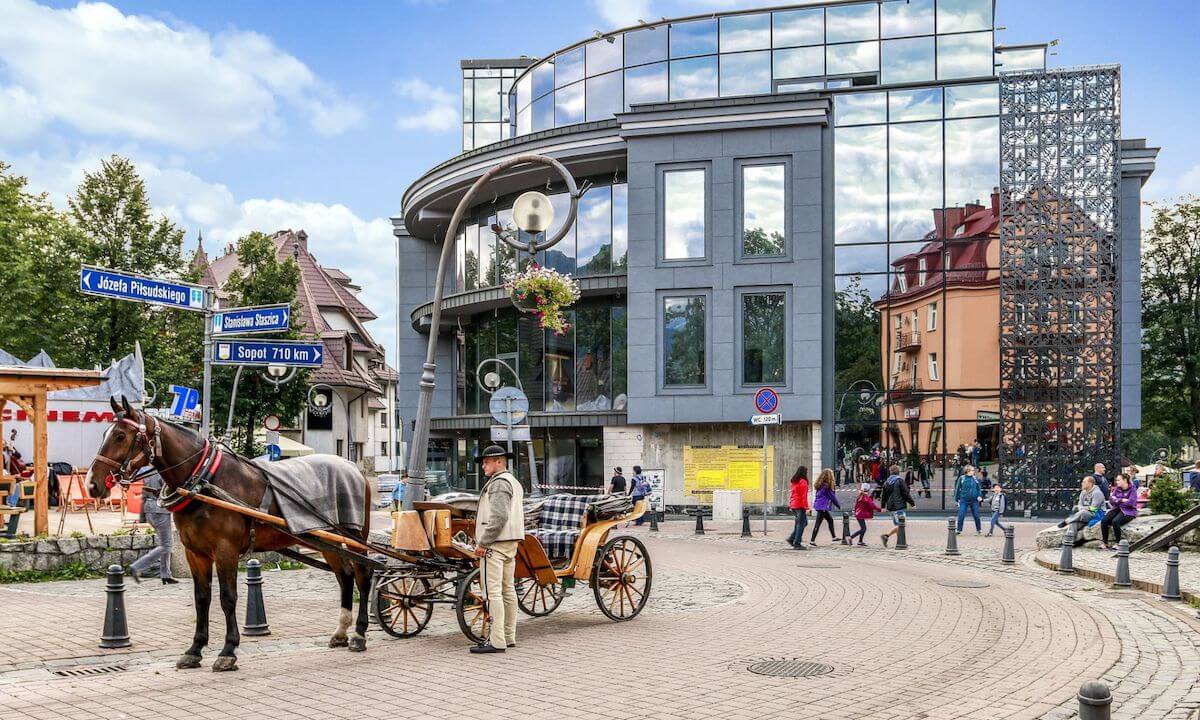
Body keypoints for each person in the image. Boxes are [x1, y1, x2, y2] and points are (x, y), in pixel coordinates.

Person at [471, 444, 524, 654]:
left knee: (492, 593)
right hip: (510, 542)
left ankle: (496, 640)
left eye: (486, 462)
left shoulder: (499, 483)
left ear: (499, 462)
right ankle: (509, 637)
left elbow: (499, 517)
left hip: (495, 544)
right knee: (508, 590)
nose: (483, 466)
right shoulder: (513, 481)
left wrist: (483, 543)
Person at [126, 466, 179, 585]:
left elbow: (143, 497)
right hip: (160, 511)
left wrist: (142, 517)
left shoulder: (147, 474)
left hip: (149, 511)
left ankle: (165, 574)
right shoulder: (163, 473)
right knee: (166, 545)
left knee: (165, 544)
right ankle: (137, 566)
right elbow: (168, 492)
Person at [1059, 475, 1105, 545]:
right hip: (1083, 515)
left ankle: (1066, 521)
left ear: (1090, 483)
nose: (1082, 483)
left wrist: (1083, 508)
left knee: (1082, 512)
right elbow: (1079, 505)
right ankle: (1069, 542)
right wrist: (1083, 508)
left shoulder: (1097, 493)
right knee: (1073, 523)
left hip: (1095, 514)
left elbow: (1094, 508)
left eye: (1084, 482)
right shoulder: (1083, 493)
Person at [1100, 473, 1138, 550]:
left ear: (1125, 480)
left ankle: (1118, 543)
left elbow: (1131, 503)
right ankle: (1105, 543)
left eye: (1118, 480)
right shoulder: (1117, 489)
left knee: (1115, 522)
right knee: (1104, 521)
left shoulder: (1132, 489)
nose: (1117, 482)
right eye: (1117, 480)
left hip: (1129, 511)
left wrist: (1117, 501)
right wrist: (1121, 500)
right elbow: (1111, 500)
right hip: (1117, 509)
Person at [880, 465, 915, 548]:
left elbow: (883, 496)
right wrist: (912, 503)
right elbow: (905, 493)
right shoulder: (900, 481)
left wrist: (883, 506)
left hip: (891, 507)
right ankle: (887, 536)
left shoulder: (886, 482)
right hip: (899, 507)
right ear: (898, 472)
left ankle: (901, 542)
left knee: (899, 525)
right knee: (901, 525)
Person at [808, 469, 840, 545]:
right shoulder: (827, 486)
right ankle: (812, 541)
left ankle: (834, 537)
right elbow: (832, 497)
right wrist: (838, 505)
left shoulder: (820, 485)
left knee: (830, 520)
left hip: (820, 506)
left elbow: (818, 496)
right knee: (818, 523)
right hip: (822, 507)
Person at [785, 466, 810, 550]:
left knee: (800, 523)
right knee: (802, 524)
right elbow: (804, 496)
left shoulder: (794, 481)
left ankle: (792, 538)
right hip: (800, 506)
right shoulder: (803, 482)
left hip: (794, 505)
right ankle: (797, 543)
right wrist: (806, 508)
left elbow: (792, 494)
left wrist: (790, 504)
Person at [955, 465, 983, 535]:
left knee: (976, 515)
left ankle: (979, 529)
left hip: (974, 500)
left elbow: (978, 488)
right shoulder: (962, 478)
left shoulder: (975, 478)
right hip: (964, 500)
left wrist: (979, 495)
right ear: (967, 471)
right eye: (972, 470)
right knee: (961, 515)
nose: (973, 471)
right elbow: (958, 488)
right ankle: (959, 530)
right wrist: (957, 499)